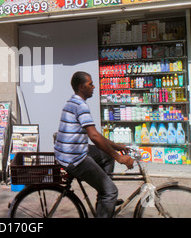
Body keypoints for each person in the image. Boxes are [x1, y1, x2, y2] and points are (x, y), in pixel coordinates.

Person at [54, 71, 134, 218]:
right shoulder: (80, 106)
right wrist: (120, 158)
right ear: (81, 87)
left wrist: (115, 146)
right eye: (90, 84)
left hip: (71, 151)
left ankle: (104, 202)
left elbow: (95, 134)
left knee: (106, 157)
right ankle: (107, 197)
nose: (94, 86)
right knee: (111, 191)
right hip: (74, 158)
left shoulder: (72, 102)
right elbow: (94, 136)